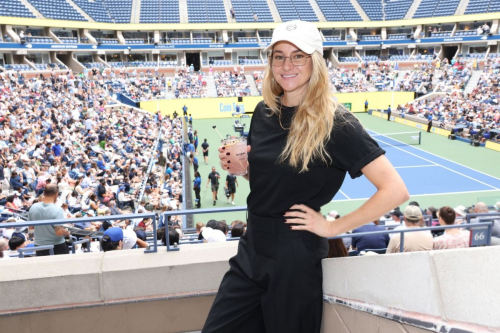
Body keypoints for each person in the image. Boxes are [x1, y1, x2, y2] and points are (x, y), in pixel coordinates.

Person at [203, 20, 408, 333]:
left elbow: (394, 190)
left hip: (295, 255)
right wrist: (245, 169)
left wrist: (332, 227)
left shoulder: (337, 123)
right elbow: (276, 182)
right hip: (252, 246)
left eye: (298, 56)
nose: (287, 65)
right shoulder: (263, 111)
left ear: (316, 62)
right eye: (279, 55)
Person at [29, 184, 70, 256]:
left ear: (44, 193)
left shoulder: (33, 207)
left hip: (39, 246)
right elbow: (59, 232)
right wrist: (66, 231)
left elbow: (31, 227)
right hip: (57, 246)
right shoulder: (58, 210)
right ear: (56, 194)